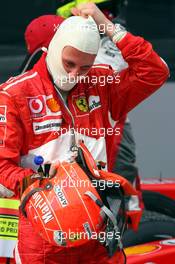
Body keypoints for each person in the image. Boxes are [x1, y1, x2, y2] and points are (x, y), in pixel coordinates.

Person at [0, 2, 169, 263]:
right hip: (45, 239)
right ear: (53, 48)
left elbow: (155, 71)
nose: (74, 74)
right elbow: (2, 167)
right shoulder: (14, 94)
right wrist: (41, 184)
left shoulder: (101, 84)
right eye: (69, 63)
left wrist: (107, 26)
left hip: (101, 233)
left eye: (84, 67)